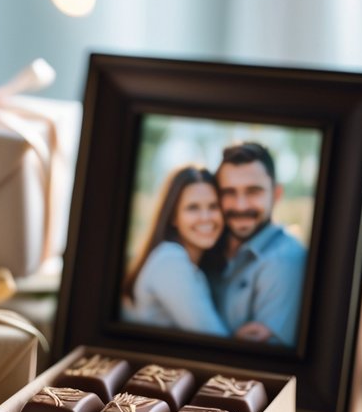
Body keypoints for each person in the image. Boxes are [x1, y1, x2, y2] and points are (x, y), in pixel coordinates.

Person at [122, 166, 267, 339]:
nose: (206, 217)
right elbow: (214, 343)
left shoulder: (190, 264)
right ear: (174, 217)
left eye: (213, 206)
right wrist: (240, 342)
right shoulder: (170, 261)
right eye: (193, 208)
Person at [211, 142, 307, 346]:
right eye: (229, 192)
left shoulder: (285, 261)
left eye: (253, 191)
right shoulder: (210, 247)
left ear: (277, 194)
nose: (240, 205)